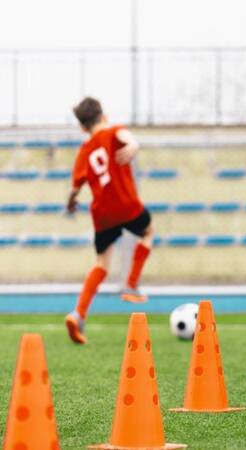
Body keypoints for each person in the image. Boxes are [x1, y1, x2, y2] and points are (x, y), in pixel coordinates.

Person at [64, 97, 153, 344]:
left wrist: (71, 202)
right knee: (148, 232)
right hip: (127, 205)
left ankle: (78, 314)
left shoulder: (84, 152)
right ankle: (131, 286)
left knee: (102, 263)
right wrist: (134, 146)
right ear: (104, 115)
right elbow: (128, 139)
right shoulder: (115, 131)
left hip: (102, 213)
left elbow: (74, 189)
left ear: (82, 127)